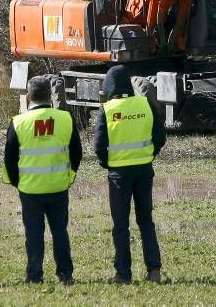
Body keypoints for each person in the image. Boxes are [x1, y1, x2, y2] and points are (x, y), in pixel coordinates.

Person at [3, 76, 83, 285]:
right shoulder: (65, 118)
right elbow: (77, 153)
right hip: (58, 186)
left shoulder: (18, 122)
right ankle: (65, 274)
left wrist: (17, 182)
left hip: (30, 190)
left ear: (28, 96)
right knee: (60, 232)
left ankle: (34, 275)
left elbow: (9, 159)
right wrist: (69, 176)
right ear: (50, 95)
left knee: (34, 234)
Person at [93, 65, 166, 284]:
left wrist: (108, 163)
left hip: (119, 175)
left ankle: (123, 274)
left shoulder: (107, 110)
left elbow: (98, 145)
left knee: (121, 225)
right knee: (146, 221)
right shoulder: (145, 104)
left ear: (109, 86)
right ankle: (154, 271)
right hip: (144, 170)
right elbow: (160, 136)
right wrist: (150, 154)